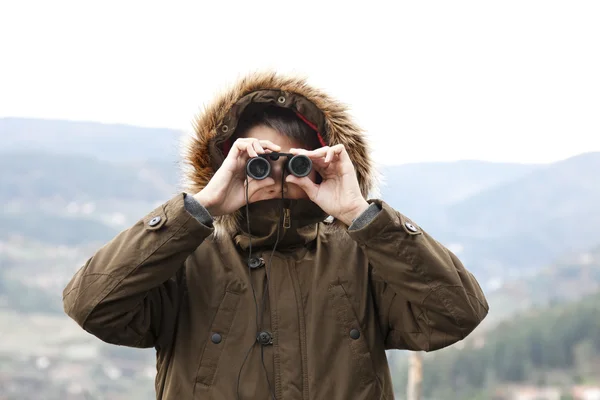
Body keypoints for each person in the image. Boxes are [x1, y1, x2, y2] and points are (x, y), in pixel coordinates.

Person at [63, 71, 489, 400]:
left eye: (296, 161)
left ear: (320, 162)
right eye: (258, 161)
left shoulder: (363, 258)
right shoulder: (185, 260)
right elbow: (92, 304)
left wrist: (360, 214)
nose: (279, 174)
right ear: (225, 162)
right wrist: (201, 207)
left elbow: (457, 312)